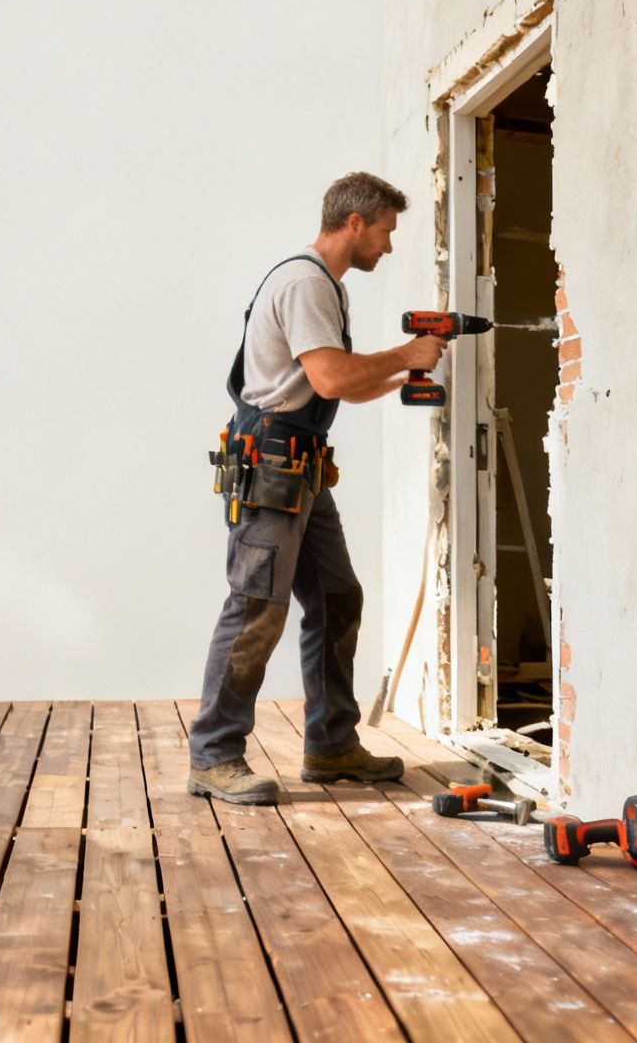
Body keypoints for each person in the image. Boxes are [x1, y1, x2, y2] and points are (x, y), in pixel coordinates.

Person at [187, 172, 447, 805]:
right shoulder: (306, 282)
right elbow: (331, 378)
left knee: (337, 597)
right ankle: (213, 756)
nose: (387, 246)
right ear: (354, 223)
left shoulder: (326, 288)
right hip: (271, 468)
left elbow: (342, 386)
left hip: (300, 468)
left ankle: (330, 747)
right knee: (257, 607)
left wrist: (406, 372)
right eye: (385, 231)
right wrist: (405, 355)